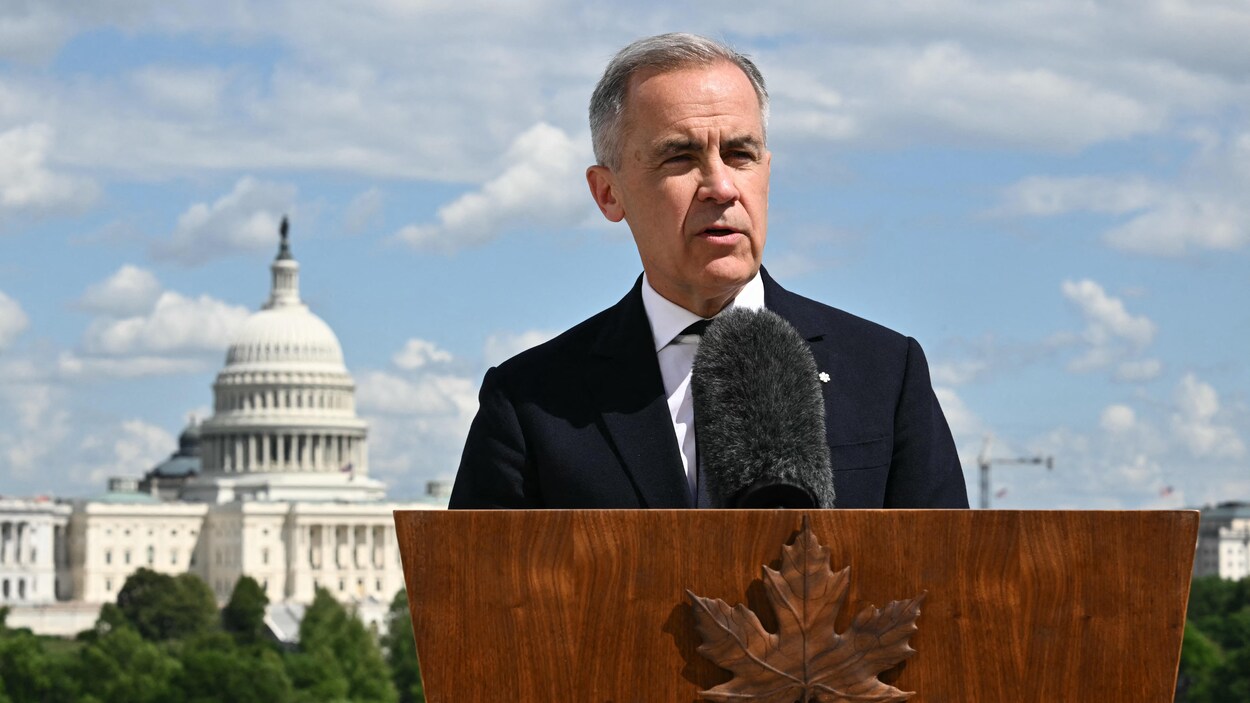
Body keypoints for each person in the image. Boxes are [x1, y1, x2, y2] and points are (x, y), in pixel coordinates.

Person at [449, 33, 968, 509]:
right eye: (680, 157)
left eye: (740, 153)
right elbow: (475, 602)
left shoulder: (883, 372)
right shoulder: (531, 401)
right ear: (608, 192)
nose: (721, 187)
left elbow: (949, 588)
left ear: (766, 173)